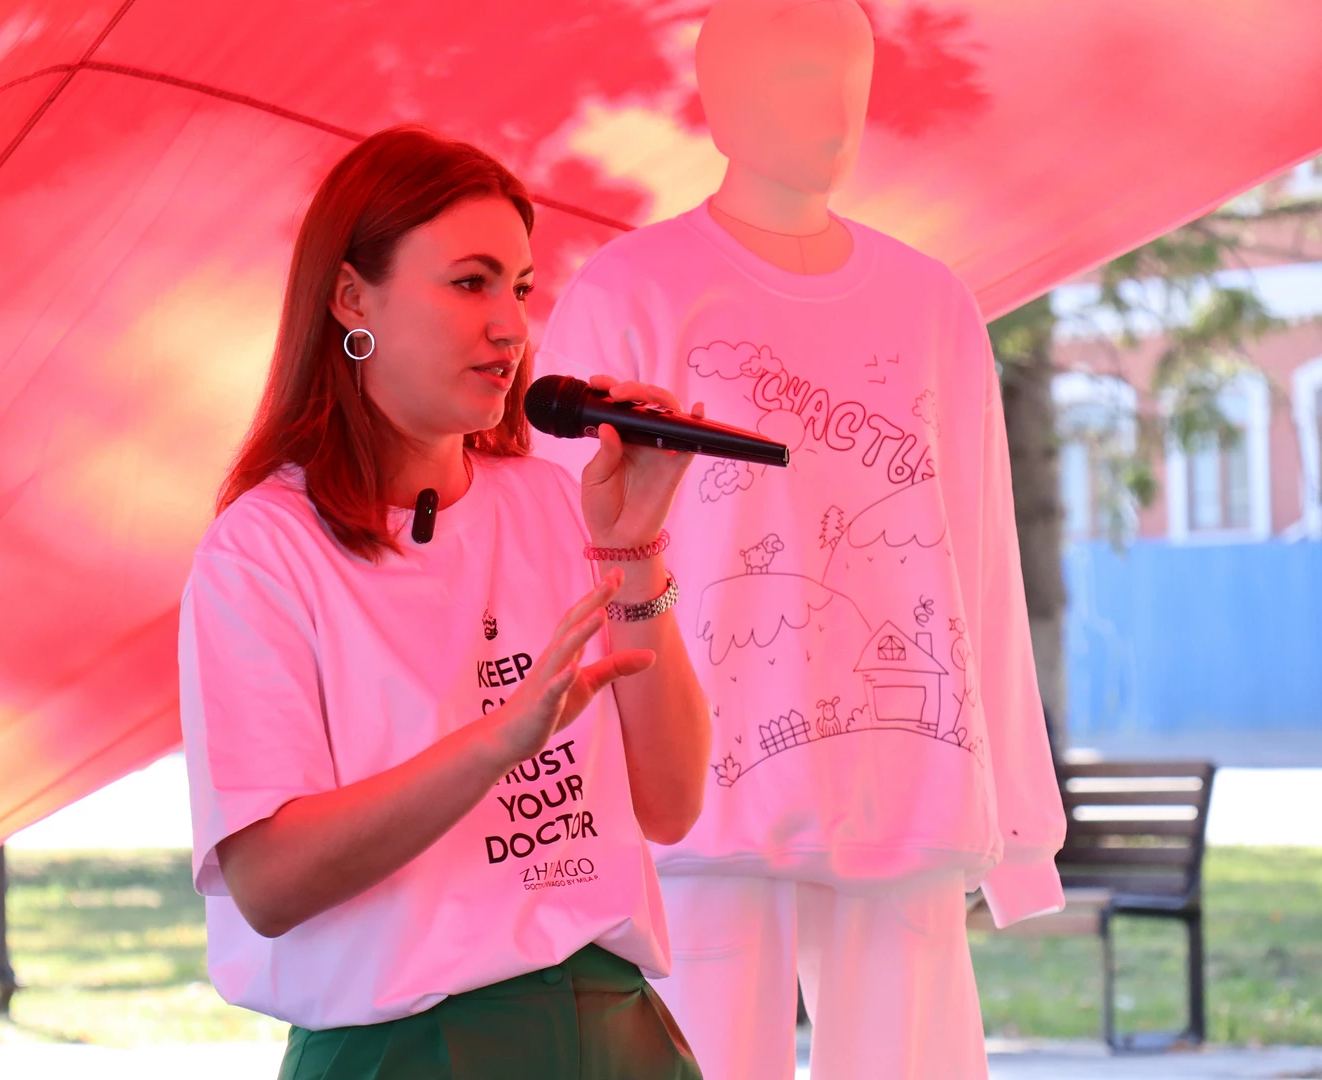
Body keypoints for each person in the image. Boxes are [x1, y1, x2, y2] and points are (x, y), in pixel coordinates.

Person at [532, 3, 1066, 1078]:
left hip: (910, 784)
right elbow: (554, 559)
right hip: (698, 803)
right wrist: (567, 814)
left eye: (847, 79)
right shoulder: (634, 292)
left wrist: (1019, 826)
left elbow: (982, 565)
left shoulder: (931, 305)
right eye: (792, 79)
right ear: (719, 101)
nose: (831, 111)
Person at [177, 125, 711, 1080]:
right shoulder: (264, 550)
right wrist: (497, 740)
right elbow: (267, 883)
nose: (510, 327)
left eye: (520, 289)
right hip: (410, 1050)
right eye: (470, 283)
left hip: (618, 1031)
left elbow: (670, 804)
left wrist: (633, 551)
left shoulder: (555, 504)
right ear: (352, 298)